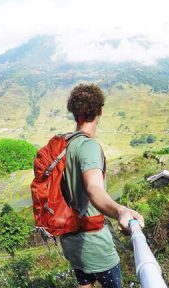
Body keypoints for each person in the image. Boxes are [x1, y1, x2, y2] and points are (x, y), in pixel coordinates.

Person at [60, 83, 144, 288]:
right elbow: (94, 188)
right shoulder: (89, 146)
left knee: (84, 282)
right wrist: (120, 211)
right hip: (93, 241)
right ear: (100, 111)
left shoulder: (65, 144)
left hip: (70, 239)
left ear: (74, 112)